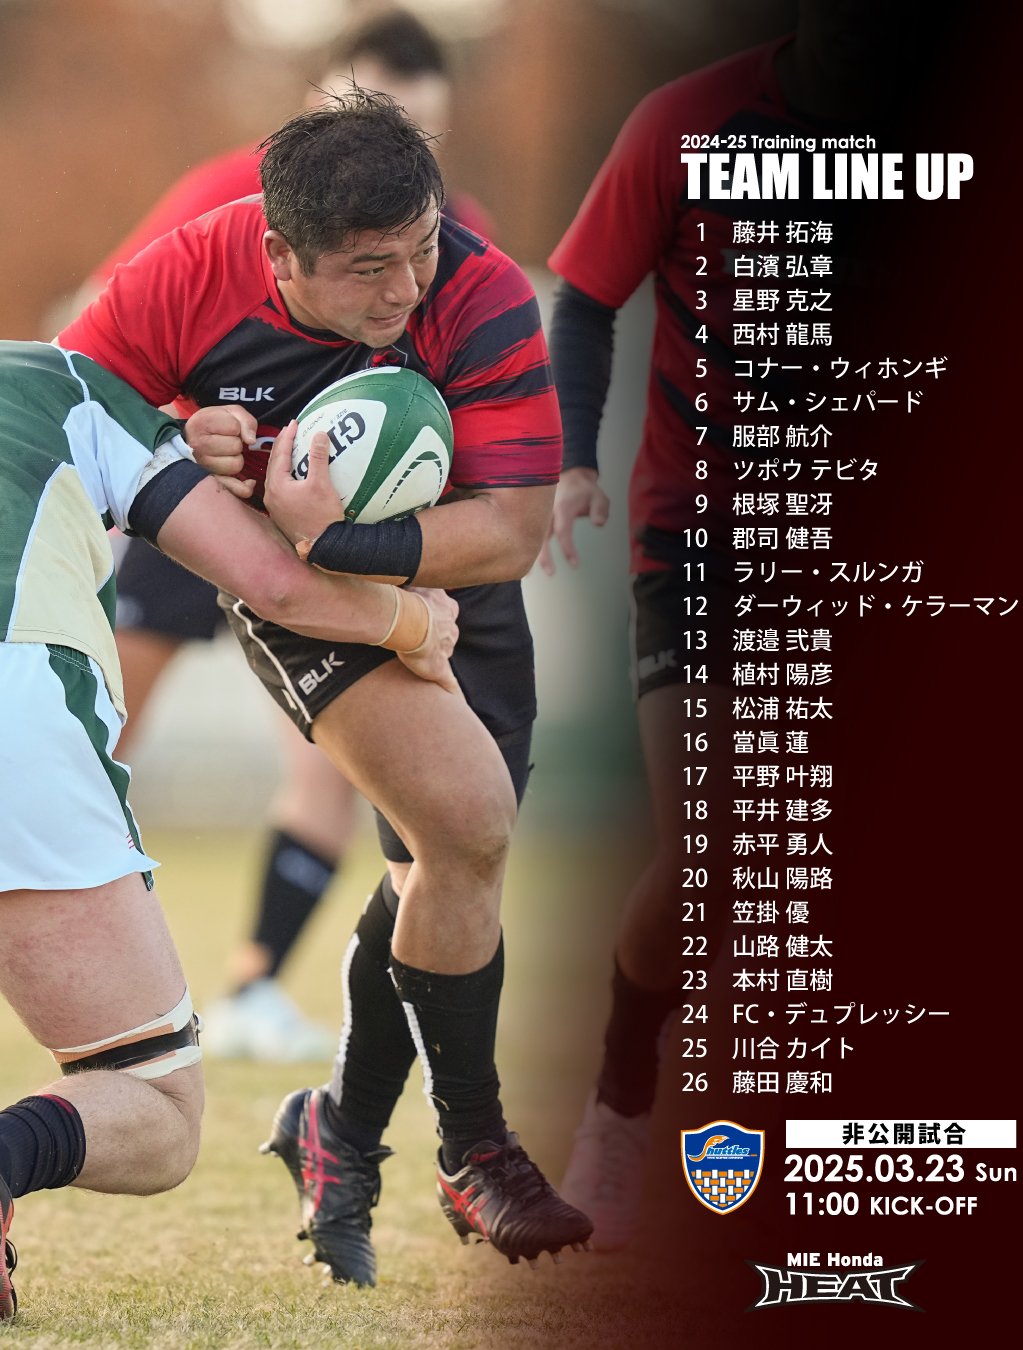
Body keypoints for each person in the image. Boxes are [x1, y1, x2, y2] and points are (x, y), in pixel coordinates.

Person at [58, 88, 592, 1284]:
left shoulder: (480, 288)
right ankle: (477, 1151)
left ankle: (336, 1131)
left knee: (450, 868)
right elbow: (68, 426)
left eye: (420, 249)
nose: (406, 290)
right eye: (368, 268)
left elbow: (511, 529)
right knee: (466, 824)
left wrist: (337, 534)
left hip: (457, 583)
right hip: (298, 600)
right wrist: (171, 439)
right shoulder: (186, 274)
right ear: (281, 255)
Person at [542, 2, 910, 1252]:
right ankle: (622, 1100)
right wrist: (574, 461)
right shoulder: (686, 124)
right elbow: (586, 297)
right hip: (701, 543)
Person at [0, 339, 458, 1320]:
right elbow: (276, 584)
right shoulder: (68, 381)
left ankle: (257, 980)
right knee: (155, 1105)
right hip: (21, 730)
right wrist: (417, 624)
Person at [89, 6, 496, 1064]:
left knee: (328, 760)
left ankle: (256, 986)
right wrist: (184, 434)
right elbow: (106, 351)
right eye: (377, 111)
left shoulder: (452, 241)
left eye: (421, 126)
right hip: (197, 507)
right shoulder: (229, 196)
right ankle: (61, 932)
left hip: (336, 536)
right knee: (102, 730)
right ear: (321, 103)